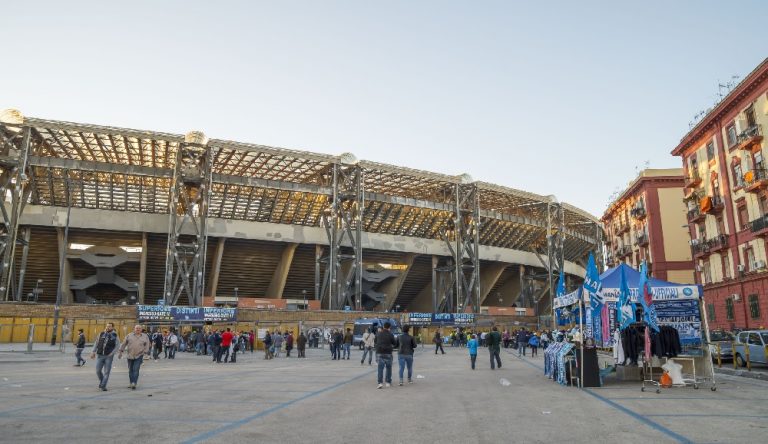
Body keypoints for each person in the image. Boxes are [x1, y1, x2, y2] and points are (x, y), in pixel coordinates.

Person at [118, 324, 151, 389]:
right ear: (134, 329)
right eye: (136, 328)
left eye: (139, 328)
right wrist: (121, 351)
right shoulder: (129, 335)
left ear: (141, 329)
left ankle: (134, 383)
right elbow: (124, 343)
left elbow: (147, 345)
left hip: (139, 355)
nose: (138, 329)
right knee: (130, 370)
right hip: (130, 355)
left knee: (136, 369)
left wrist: (146, 352)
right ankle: (131, 382)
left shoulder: (145, 336)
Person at [90, 323, 119, 391]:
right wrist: (93, 352)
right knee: (98, 371)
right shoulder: (101, 333)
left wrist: (112, 353)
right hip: (100, 355)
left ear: (112, 327)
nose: (108, 327)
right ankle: (102, 381)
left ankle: (103, 385)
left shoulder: (115, 335)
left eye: (109, 326)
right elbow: (96, 343)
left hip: (109, 356)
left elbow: (117, 345)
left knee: (106, 372)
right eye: (107, 326)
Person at [375, 321, 397, 389]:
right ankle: (388, 382)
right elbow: (394, 343)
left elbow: (375, 341)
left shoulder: (378, 334)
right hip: (388, 353)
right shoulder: (391, 334)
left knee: (380, 369)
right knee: (388, 368)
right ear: (389, 327)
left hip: (380, 352)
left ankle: (380, 383)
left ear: (383, 326)